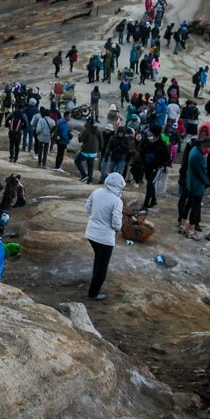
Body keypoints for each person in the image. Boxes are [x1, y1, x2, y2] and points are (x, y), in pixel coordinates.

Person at [84, 172, 126, 300]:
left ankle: (94, 283)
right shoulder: (117, 201)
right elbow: (116, 223)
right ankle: (93, 293)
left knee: (98, 260)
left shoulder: (97, 192)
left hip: (91, 233)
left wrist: (97, 216)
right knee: (102, 267)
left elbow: (88, 208)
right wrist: (118, 228)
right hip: (105, 238)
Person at [182, 137, 210, 236]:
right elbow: (201, 173)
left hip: (191, 182)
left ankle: (183, 224)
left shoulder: (194, 150)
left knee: (188, 204)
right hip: (197, 185)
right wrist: (207, 182)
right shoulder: (198, 156)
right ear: (204, 146)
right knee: (195, 207)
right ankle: (191, 229)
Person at [76, 119, 103, 183]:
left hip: (86, 151)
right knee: (90, 166)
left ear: (88, 123)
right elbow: (101, 141)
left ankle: (84, 175)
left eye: (86, 122)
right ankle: (90, 180)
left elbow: (80, 139)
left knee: (77, 161)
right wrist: (99, 149)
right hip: (94, 152)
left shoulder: (86, 130)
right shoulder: (98, 131)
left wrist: (80, 134)